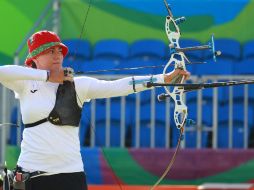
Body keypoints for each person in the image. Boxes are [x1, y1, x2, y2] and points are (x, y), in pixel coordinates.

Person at [0, 30, 190, 190]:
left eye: (59, 50)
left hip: (70, 174)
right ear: (35, 57)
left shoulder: (78, 85)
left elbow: (119, 86)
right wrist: (48, 76)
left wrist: (163, 79)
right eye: (50, 51)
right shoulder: (26, 84)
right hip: (31, 175)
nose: (57, 54)